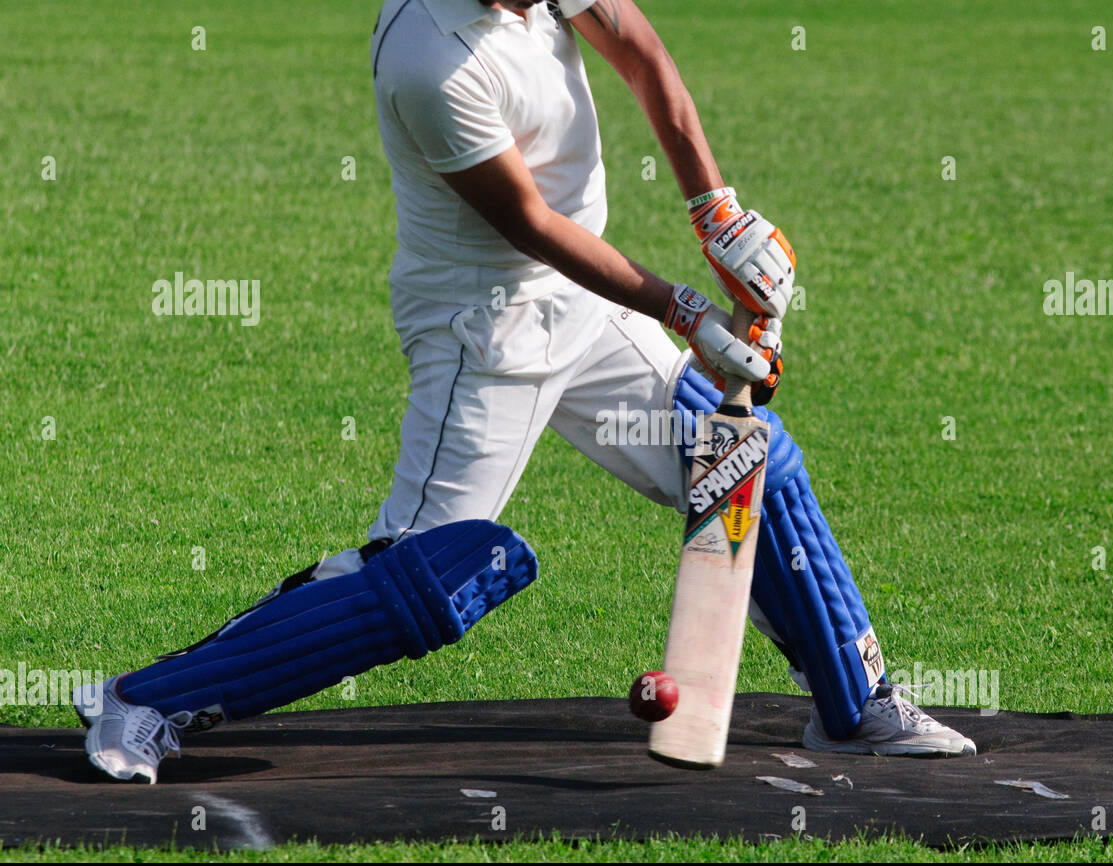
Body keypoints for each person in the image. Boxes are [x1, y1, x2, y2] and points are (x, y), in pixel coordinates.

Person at [73, 0, 974, 784]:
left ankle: (853, 709)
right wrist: (688, 310)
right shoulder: (430, 57)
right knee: (422, 580)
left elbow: (644, 59)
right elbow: (531, 225)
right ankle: (143, 700)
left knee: (746, 459)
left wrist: (717, 211)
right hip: (484, 333)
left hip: (585, 309)